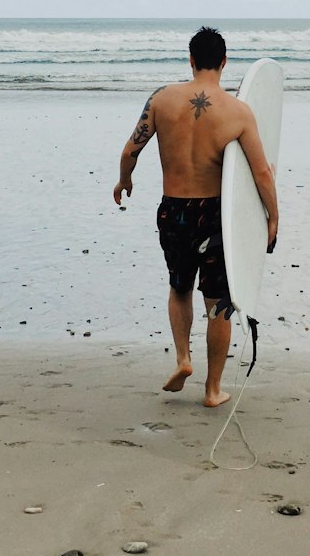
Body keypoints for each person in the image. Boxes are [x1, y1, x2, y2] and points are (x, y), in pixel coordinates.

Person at [113, 27, 279, 408]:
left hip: (173, 210)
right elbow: (261, 173)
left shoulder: (161, 100)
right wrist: (272, 217)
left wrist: (124, 181)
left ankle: (183, 359)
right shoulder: (237, 112)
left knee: (179, 287)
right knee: (218, 301)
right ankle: (212, 390)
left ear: (190, 60)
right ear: (223, 62)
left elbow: (130, 151)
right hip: (213, 215)